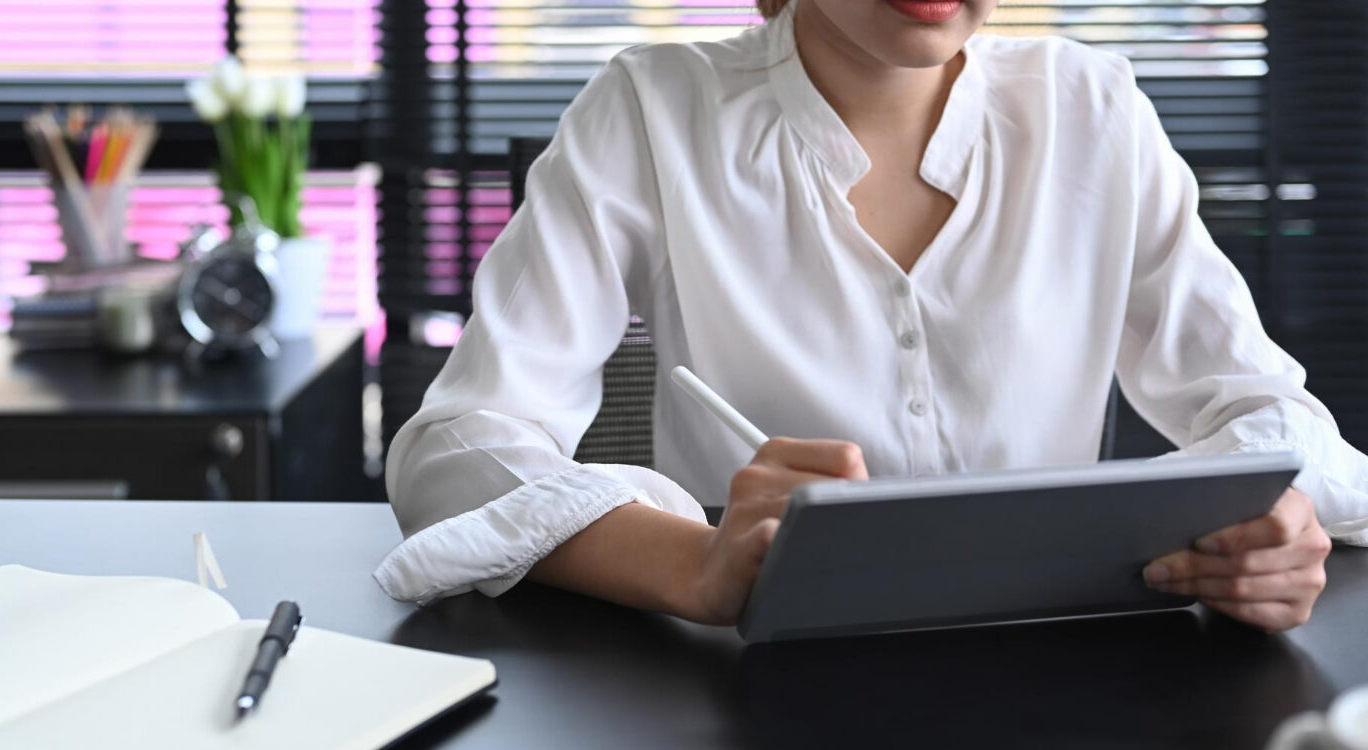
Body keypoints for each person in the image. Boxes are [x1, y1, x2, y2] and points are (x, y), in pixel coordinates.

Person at [374, 0, 1368, 633]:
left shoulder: (1093, 110)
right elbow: (456, 449)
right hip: (745, 692)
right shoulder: (651, 109)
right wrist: (696, 565)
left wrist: (1260, 531)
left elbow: (1275, 422)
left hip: (1062, 678)